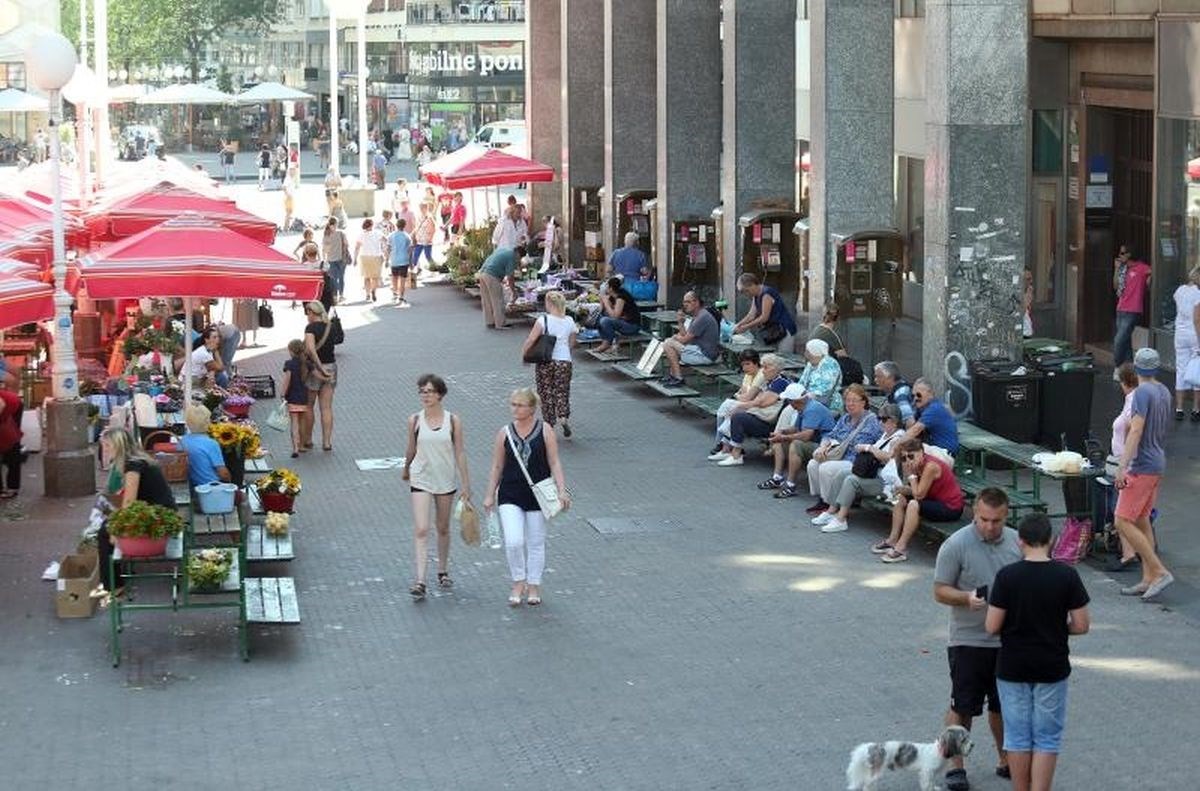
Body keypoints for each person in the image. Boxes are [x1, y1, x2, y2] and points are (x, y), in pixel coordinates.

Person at [986, 513, 1091, 791]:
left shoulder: (1007, 576)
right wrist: (1056, 627)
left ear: (1020, 541)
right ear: (1052, 540)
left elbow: (991, 626)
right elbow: (1081, 625)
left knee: (1018, 737)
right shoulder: (1067, 575)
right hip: (1051, 666)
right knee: (1047, 737)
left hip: (1012, 667)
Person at [932, 487, 1021, 791]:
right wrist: (965, 598)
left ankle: (1005, 759)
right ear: (974, 512)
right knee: (962, 706)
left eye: (996, 521)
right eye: (983, 519)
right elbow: (940, 590)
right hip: (968, 640)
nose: (990, 526)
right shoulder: (955, 545)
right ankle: (956, 767)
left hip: (1006, 642)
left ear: (1006, 515)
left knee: (1002, 706)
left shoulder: (1016, 542)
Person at [483, 388, 571, 607]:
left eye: (520, 405)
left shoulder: (545, 430)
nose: (515, 408)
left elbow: (554, 462)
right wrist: (489, 494)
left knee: (535, 542)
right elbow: (497, 465)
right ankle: (518, 581)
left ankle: (533, 584)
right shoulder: (504, 432)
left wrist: (561, 490)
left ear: (532, 408)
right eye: (513, 404)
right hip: (510, 493)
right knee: (513, 541)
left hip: (537, 495)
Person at [402, 374, 471, 601]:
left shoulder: (453, 421)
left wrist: (465, 483)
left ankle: (442, 570)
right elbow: (410, 448)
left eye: (430, 391)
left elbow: (459, 451)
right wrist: (406, 468)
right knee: (421, 528)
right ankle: (420, 580)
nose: (426, 395)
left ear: (440, 394)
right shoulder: (414, 420)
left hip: (445, 478)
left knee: (442, 527)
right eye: (422, 391)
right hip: (420, 477)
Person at [1114, 348, 1174, 600]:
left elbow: (1136, 431)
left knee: (1122, 520)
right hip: (1157, 462)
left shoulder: (1141, 393)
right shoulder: (1163, 391)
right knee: (1141, 519)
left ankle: (1159, 572)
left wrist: (1121, 466)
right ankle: (1148, 577)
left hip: (1141, 465)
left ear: (1137, 369)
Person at [98, 427, 178, 592]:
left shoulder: (133, 465)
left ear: (117, 446)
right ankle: (119, 575)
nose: (104, 450)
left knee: (104, 532)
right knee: (108, 525)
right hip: (161, 512)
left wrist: (116, 529)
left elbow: (129, 502)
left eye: (106, 445)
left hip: (159, 518)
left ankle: (114, 586)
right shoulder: (138, 459)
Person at [810, 404, 905, 532]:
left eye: (883, 419)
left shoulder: (898, 438)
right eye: (879, 418)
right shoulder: (885, 435)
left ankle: (841, 519)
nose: (880, 422)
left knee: (851, 480)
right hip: (873, 474)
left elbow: (890, 458)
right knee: (842, 474)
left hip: (886, 483)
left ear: (894, 421)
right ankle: (831, 510)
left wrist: (868, 447)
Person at [877, 438, 965, 563]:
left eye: (911, 456)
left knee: (913, 504)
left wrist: (911, 475)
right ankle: (892, 540)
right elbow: (914, 490)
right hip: (933, 500)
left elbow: (918, 495)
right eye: (904, 458)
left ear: (921, 453)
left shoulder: (930, 466)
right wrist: (901, 489)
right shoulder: (916, 465)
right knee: (900, 498)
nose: (908, 460)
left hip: (951, 508)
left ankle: (901, 548)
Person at [803, 384, 881, 511]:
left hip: (855, 461)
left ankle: (831, 504)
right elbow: (830, 435)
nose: (850, 404)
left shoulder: (871, 420)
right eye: (847, 400)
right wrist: (823, 446)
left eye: (854, 400)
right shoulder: (845, 418)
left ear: (863, 402)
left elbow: (862, 445)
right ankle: (823, 499)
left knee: (826, 468)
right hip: (839, 455)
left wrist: (838, 445)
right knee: (813, 464)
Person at [709, 354, 791, 466]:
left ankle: (736, 455)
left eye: (766, 367)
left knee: (738, 416)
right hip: (763, 415)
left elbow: (763, 402)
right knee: (733, 410)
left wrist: (742, 406)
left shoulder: (780, 382)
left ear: (775, 368)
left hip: (770, 422)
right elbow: (759, 399)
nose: (763, 371)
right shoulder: (772, 381)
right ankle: (726, 449)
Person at [760, 384, 836, 498]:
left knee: (796, 445)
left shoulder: (812, 409)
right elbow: (796, 428)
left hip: (825, 446)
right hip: (816, 443)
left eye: (789, 400)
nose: (788, 403)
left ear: (794, 401)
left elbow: (806, 436)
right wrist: (782, 432)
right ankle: (777, 478)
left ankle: (790, 485)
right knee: (779, 442)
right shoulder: (804, 407)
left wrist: (784, 437)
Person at [521, 290, 577, 437]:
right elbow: (572, 342)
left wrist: (525, 354)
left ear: (549, 303)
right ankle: (563, 417)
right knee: (562, 391)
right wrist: (565, 353)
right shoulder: (570, 321)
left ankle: (549, 424)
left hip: (546, 360)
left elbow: (531, 339)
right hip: (564, 361)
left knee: (545, 392)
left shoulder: (543, 320)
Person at [660, 291, 720, 387]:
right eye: (684, 302)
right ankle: (673, 376)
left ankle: (678, 378)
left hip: (705, 356)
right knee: (670, 342)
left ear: (696, 303)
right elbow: (686, 335)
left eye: (688, 302)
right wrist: (680, 322)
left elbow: (684, 340)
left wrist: (676, 338)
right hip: (698, 351)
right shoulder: (697, 315)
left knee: (668, 343)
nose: (685, 305)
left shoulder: (702, 317)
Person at [711, 349, 764, 455]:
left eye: (748, 364)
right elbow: (742, 393)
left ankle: (721, 443)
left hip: (756, 406)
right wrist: (740, 396)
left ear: (756, 363)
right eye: (743, 365)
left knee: (728, 408)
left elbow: (747, 397)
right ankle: (724, 443)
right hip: (747, 404)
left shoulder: (761, 375)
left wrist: (739, 396)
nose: (745, 368)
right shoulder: (748, 375)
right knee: (724, 411)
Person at [302, 302, 338, 452]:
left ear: (312, 312)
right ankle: (327, 442)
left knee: (309, 406)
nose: (306, 316)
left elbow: (310, 349)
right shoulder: (331, 326)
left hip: (315, 370)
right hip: (332, 367)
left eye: (307, 312)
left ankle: (308, 439)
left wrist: (319, 366)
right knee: (326, 407)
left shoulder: (310, 328)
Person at [731, 273, 797, 352]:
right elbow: (751, 315)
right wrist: (738, 325)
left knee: (784, 357)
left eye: (746, 291)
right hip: (773, 330)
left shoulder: (766, 293)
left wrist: (745, 327)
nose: (746, 294)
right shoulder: (755, 296)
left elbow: (764, 317)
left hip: (784, 329)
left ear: (752, 285)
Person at [1112, 245, 1151, 369]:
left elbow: (1155, 272)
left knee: (1119, 340)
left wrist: (1149, 281)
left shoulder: (1142, 268)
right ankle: (1129, 366)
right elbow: (1115, 286)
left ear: (1130, 254)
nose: (1120, 255)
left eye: (1123, 253)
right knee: (1125, 340)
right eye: (1120, 253)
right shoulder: (1123, 268)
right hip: (1121, 308)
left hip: (1133, 309)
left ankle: (1118, 367)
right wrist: (1116, 270)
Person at [1171, 265, 1200, 420]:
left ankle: (1179, 408)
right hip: (1195, 334)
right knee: (1197, 371)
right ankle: (1196, 409)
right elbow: (1197, 319)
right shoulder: (1199, 293)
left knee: (1181, 369)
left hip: (1180, 333)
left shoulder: (1180, 290)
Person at [178, 404, 231, 487]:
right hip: (211, 487)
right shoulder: (211, 444)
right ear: (208, 422)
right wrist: (230, 481)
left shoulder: (182, 441)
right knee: (241, 496)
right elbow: (223, 473)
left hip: (192, 485)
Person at [477, 243, 527, 330]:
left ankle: (490, 321)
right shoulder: (512, 257)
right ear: (518, 254)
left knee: (487, 300)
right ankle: (500, 323)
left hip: (482, 273)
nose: (519, 260)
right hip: (492, 275)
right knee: (498, 300)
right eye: (520, 258)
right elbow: (510, 277)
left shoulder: (504, 250)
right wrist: (513, 291)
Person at [907, 378, 960, 455]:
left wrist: (896, 446)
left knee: (907, 453)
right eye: (913, 395)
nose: (915, 398)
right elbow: (910, 425)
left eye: (918, 395)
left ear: (930, 393)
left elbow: (915, 430)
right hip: (934, 449)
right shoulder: (922, 408)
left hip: (945, 453)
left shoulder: (934, 409)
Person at [594, 277, 643, 354]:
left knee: (605, 321)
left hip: (632, 326)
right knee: (599, 318)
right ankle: (606, 343)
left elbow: (615, 316)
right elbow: (602, 311)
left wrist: (606, 303)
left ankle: (608, 344)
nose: (605, 287)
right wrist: (602, 300)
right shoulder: (612, 296)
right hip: (622, 321)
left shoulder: (621, 297)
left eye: (606, 285)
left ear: (611, 288)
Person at [794, 338, 843, 412]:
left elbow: (823, 390)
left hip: (828, 404)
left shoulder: (830, 364)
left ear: (816, 352)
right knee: (788, 411)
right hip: (807, 401)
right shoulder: (810, 364)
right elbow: (802, 383)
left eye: (808, 352)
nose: (805, 354)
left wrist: (803, 398)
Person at [281, 339, 311, 458]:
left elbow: (287, 380)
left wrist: (283, 394)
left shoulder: (289, 364)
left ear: (292, 351)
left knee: (294, 423)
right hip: (303, 396)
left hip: (292, 397)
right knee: (302, 421)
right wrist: (326, 377)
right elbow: (317, 374)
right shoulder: (307, 364)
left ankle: (295, 448)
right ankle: (302, 445)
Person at [874, 361, 916, 427]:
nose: (875, 380)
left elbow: (909, 421)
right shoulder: (893, 392)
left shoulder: (900, 393)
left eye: (879, 376)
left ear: (890, 377)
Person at [354, 218, 385, 303]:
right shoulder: (378, 233)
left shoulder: (361, 235)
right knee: (375, 277)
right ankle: (373, 291)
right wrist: (384, 252)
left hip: (365, 257)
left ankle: (367, 294)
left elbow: (357, 248)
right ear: (372, 225)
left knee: (366, 277)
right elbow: (385, 241)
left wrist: (355, 259)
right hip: (376, 256)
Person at [0, 385, 23, 501]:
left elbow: (2, 405)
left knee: (12, 455)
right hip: (6, 422)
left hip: (12, 408)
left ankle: (12, 488)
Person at [321, 217, 350, 304]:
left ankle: (336, 296)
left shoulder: (326, 235)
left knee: (335, 279)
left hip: (333, 259)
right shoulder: (341, 233)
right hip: (340, 259)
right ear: (334, 224)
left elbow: (324, 249)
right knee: (340, 278)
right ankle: (340, 296)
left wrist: (324, 259)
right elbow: (346, 244)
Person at [388, 218, 413, 307]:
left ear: (396, 225)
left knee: (394, 278)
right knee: (402, 279)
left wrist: (387, 259)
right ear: (404, 226)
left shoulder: (391, 235)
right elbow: (410, 250)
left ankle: (395, 293)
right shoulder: (407, 236)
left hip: (394, 259)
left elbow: (388, 248)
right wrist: (411, 262)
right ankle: (401, 297)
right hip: (404, 260)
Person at [410, 202, 438, 281]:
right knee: (415, 256)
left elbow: (434, 228)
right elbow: (417, 227)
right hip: (419, 239)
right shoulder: (419, 217)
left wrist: (430, 237)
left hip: (427, 240)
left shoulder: (429, 217)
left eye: (423, 207)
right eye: (420, 208)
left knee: (428, 256)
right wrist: (412, 234)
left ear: (426, 208)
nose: (421, 209)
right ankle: (413, 272)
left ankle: (434, 269)